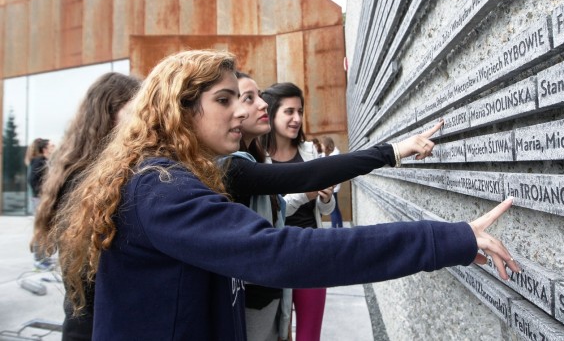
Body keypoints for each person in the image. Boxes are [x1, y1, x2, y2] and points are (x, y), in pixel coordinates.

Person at [52, 49, 519, 341]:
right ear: (179, 110)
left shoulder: (172, 177)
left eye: (242, 97)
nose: (241, 111)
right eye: (224, 99)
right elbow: (280, 251)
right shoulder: (160, 189)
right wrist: (445, 239)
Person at [225, 72, 444, 341]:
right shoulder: (234, 166)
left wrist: (324, 198)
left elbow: (302, 199)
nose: (262, 105)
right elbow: (310, 176)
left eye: (260, 96)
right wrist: (393, 151)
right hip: (256, 292)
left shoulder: (254, 160)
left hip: (283, 275)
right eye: (249, 98)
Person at [32, 72, 142, 341]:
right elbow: (87, 276)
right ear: (109, 112)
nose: (145, 119)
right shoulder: (86, 176)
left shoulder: (103, 169)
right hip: (93, 325)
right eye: (136, 110)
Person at [261, 83, 337, 340]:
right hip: (275, 257)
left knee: (309, 335)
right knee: (279, 334)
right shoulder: (259, 160)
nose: (297, 119)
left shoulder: (310, 152)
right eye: (289, 111)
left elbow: (323, 208)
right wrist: (307, 193)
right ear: (271, 114)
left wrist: (326, 197)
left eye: (300, 111)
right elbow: (274, 209)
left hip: (312, 253)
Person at [27, 137, 55, 269]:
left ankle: (44, 258)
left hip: (42, 199)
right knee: (41, 229)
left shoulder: (43, 161)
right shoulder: (39, 161)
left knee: (45, 229)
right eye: (51, 146)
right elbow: (32, 180)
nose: (53, 147)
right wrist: (42, 194)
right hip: (40, 200)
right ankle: (39, 261)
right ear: (44, 149)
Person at [322, 136, 343, 228]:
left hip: (332, 187)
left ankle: (334, 229)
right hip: (333, 186)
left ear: (326, 145)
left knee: (332, 210)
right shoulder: (331, 155)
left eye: (322, 144)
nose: (321, 146)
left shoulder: (332, 158)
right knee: (336, 209)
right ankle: (340, 228)